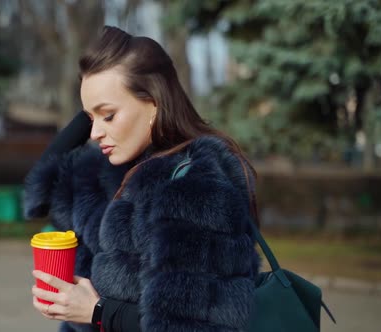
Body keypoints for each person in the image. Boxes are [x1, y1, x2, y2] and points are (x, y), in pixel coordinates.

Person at [24, 26, 260, 332]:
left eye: (108, 115)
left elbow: (193, 326)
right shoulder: (115, 170)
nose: (94, 133)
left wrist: (96, 312)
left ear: (154, 103)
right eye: (90, 119)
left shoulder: (192, 186)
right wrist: (94, 108)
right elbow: (41, 193)